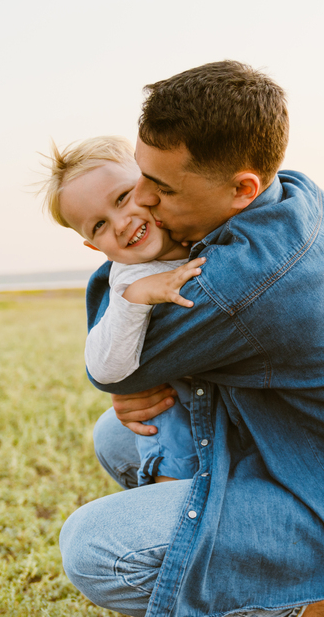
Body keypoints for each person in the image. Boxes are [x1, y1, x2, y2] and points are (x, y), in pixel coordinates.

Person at [58, 60, 324, 617]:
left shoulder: (239, 283)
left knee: (96, 550)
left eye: (160, 187)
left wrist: (136, 367)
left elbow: (114, 367)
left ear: (241, 187)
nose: (141, 200)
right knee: (117, 437)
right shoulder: (290, 192)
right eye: (139, 175)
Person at [41, 135, 206, 484]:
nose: (120, 223)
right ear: (92, 245)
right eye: (99, 225)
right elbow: (103, 368)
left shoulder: (197, 227)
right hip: (177, 422)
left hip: (228, 409)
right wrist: (135, 298)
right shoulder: (128, 278)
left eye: (122, 197)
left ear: (148, 182)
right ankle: (166, 505)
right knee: (161, 417)